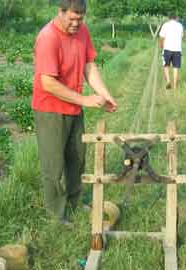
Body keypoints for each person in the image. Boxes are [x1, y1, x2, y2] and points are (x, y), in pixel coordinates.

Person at [31, 0, 117, 225]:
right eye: (72, 18)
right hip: (50, 109)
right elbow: (48, 83)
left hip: (73, 107)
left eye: (81, 18)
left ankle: (75, 203)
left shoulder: (82, 31)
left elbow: (89, 66)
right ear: (60, 12)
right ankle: (56, 214)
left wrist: (104, 94)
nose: (76, 23)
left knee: (77, 158)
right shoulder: (48, 38)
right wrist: (85, 99)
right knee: (54, 164)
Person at [159, 14, 184, 90]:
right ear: (176, 18)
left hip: (167, 49)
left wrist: (161, 46)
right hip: (177, 49)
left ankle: (168, 82)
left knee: (166, 65)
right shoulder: (180, 25)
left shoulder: (165, 25)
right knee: (176, 67)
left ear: (168, 18)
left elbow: (162, 37)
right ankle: (175, 86)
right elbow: (182, 36)